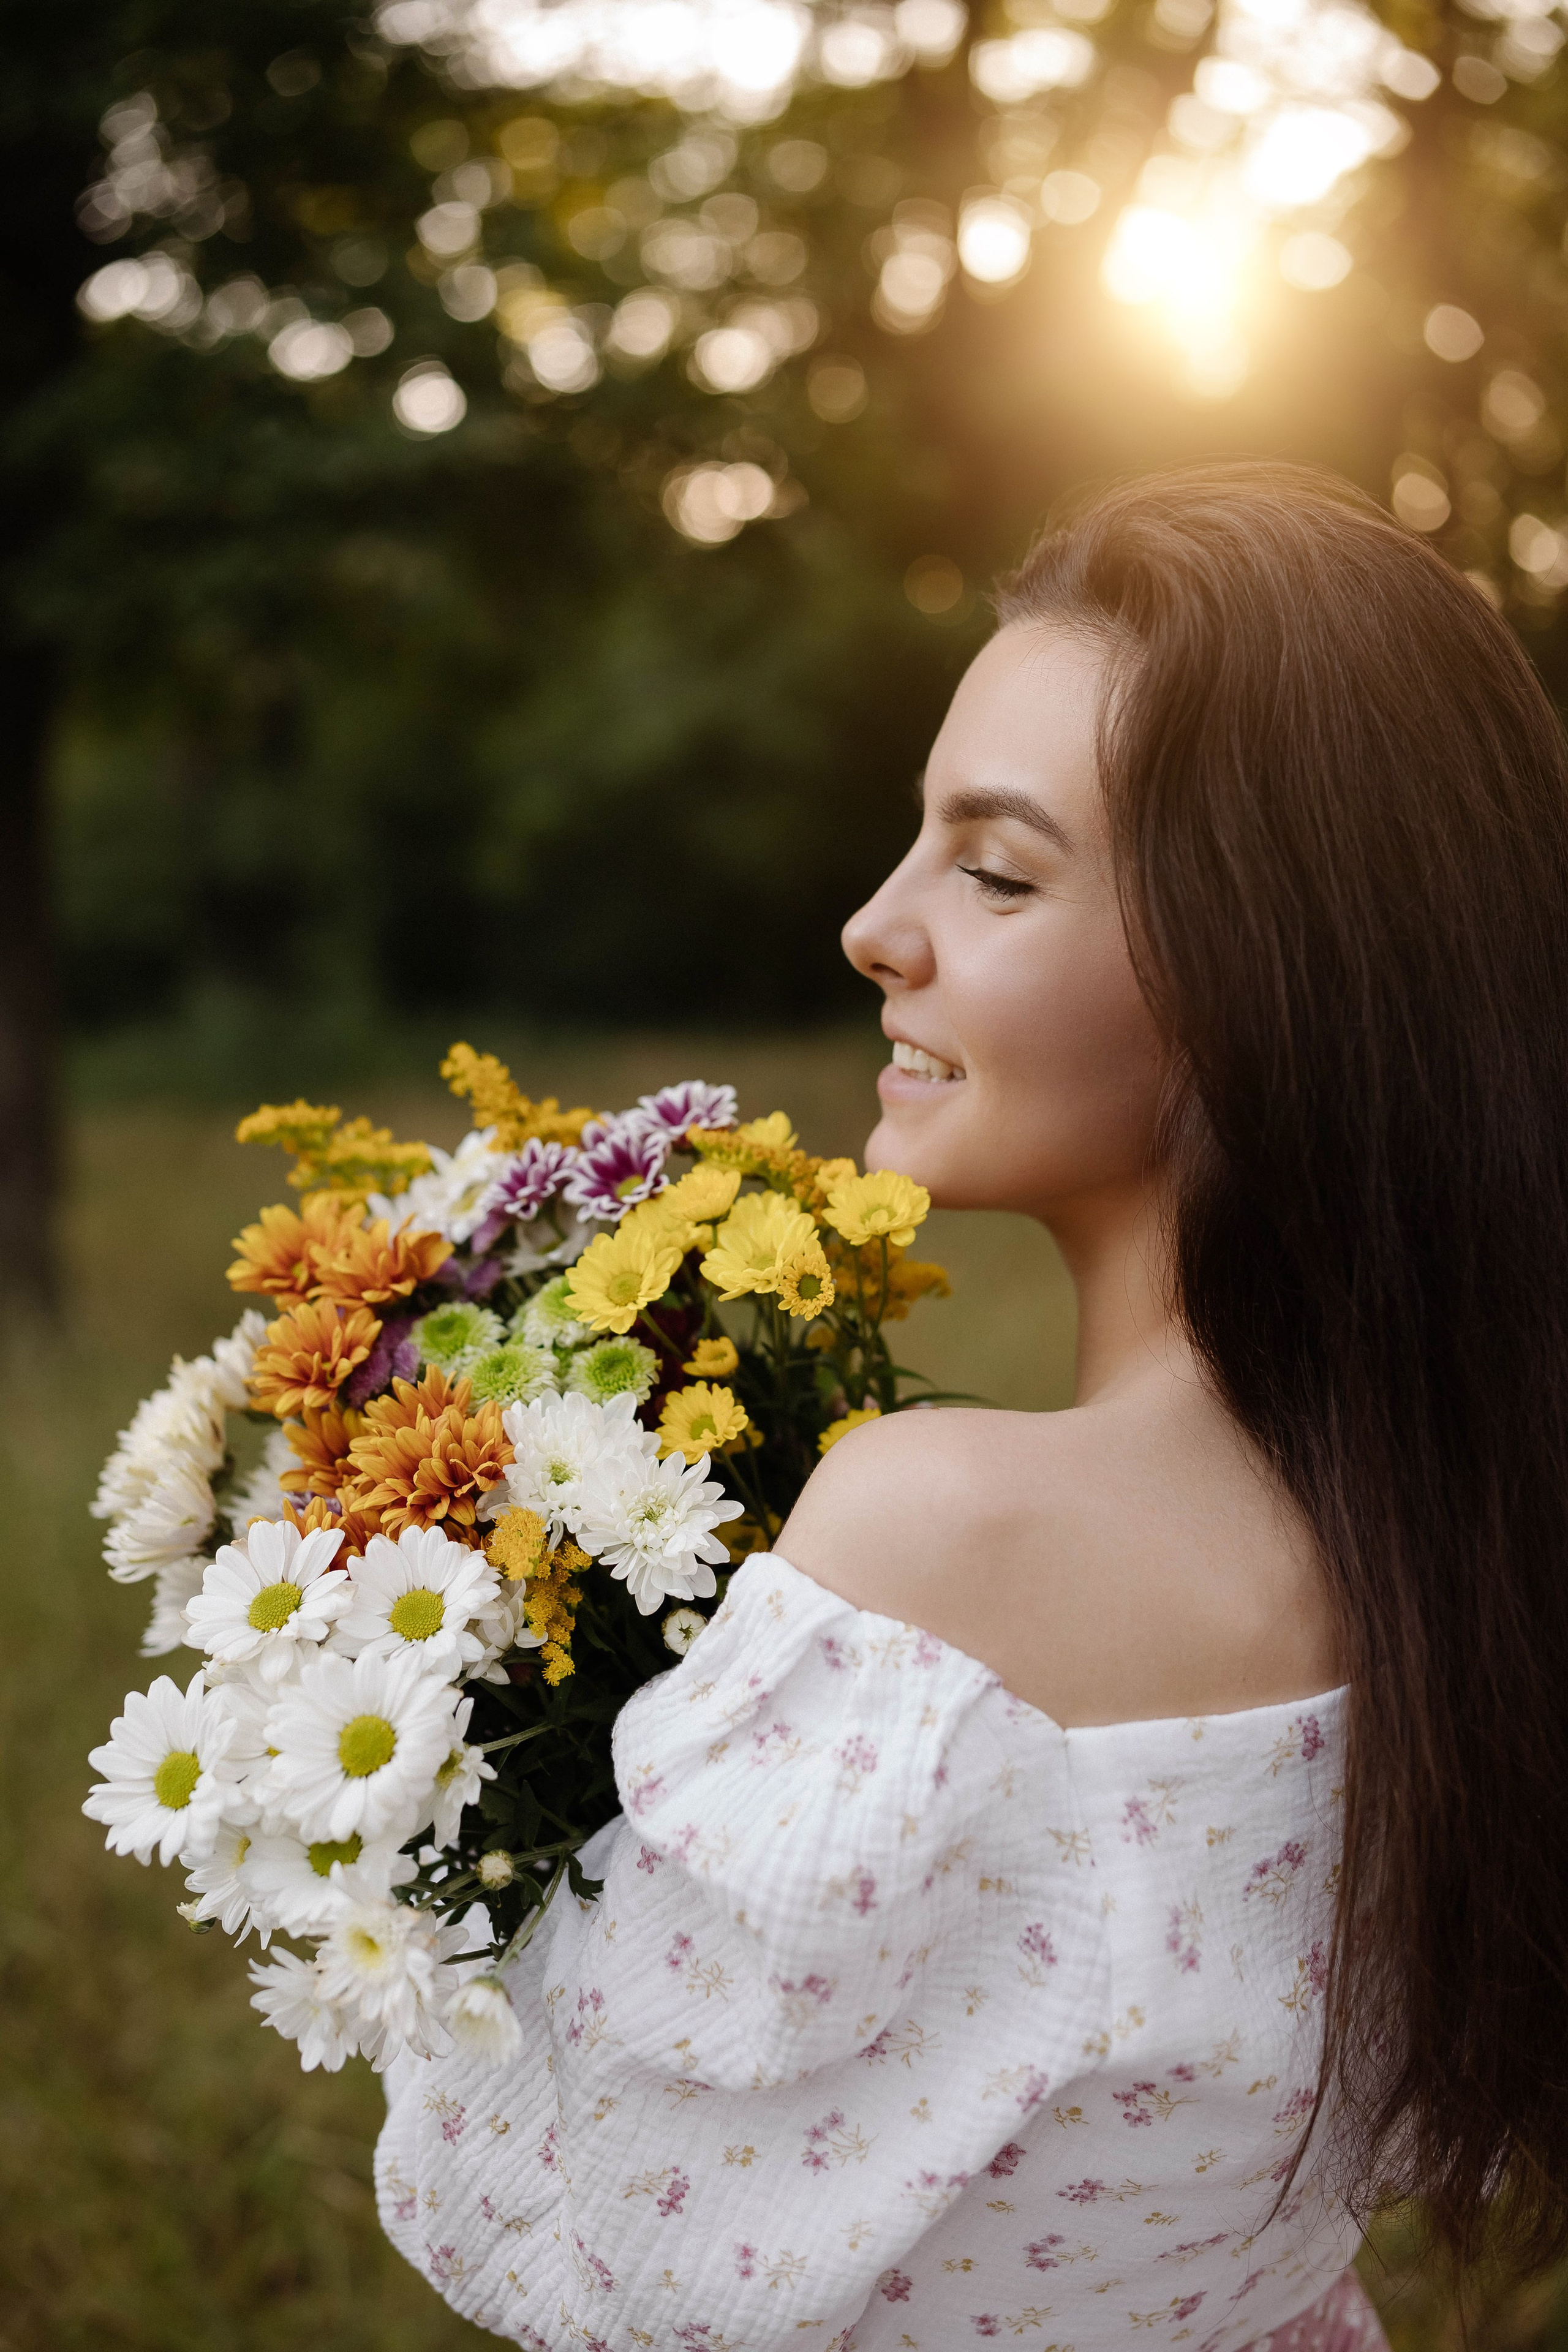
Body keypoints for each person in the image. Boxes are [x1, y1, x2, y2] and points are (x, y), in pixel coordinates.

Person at [376, 464, 1568, 2349]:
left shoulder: (944, 1535)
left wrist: (394, 1717)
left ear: (1270, 968)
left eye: (996, 871)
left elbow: (595, 2244)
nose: (874, 925)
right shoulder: (1478, 1548)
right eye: (917, 843)